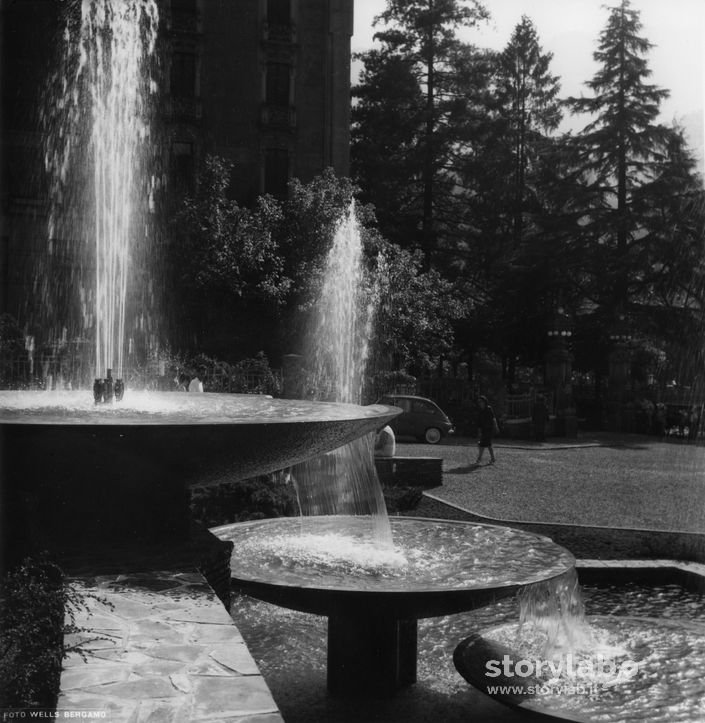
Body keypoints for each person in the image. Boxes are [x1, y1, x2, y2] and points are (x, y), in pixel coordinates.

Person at [475, 395, 497, 465]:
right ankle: (492, 458)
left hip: (489, 429)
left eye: (481, 401)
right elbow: (479, 422)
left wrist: (496, 426)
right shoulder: (480, 411)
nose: (480, 403)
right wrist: (479, 430)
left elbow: (493, 418)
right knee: (488, 444)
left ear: (484, 402)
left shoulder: (488, 409)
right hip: (483, 429)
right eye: (479, 402)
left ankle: (479, 460)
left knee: (482, 444)